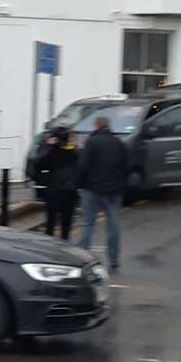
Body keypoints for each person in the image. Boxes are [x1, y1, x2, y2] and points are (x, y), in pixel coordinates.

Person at [77, 115, 130, 272]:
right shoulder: (119, 143)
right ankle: (113, 259)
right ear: (108, 126)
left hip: (92, 189)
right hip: (113, 191)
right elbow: (127, 167)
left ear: (96, 126)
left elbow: (83, 166)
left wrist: (80, 185)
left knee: (88, 224)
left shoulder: (91, 142)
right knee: (113, 226)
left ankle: (83, 256)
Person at [32, 127, 80, 240]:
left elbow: (38, 163)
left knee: (51, 222)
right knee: (66, 223)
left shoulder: (52, 152)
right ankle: (65, 244)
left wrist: (47, 145)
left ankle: (50, 246)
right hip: (70, 191)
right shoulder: (75, 153)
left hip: (54, 190)